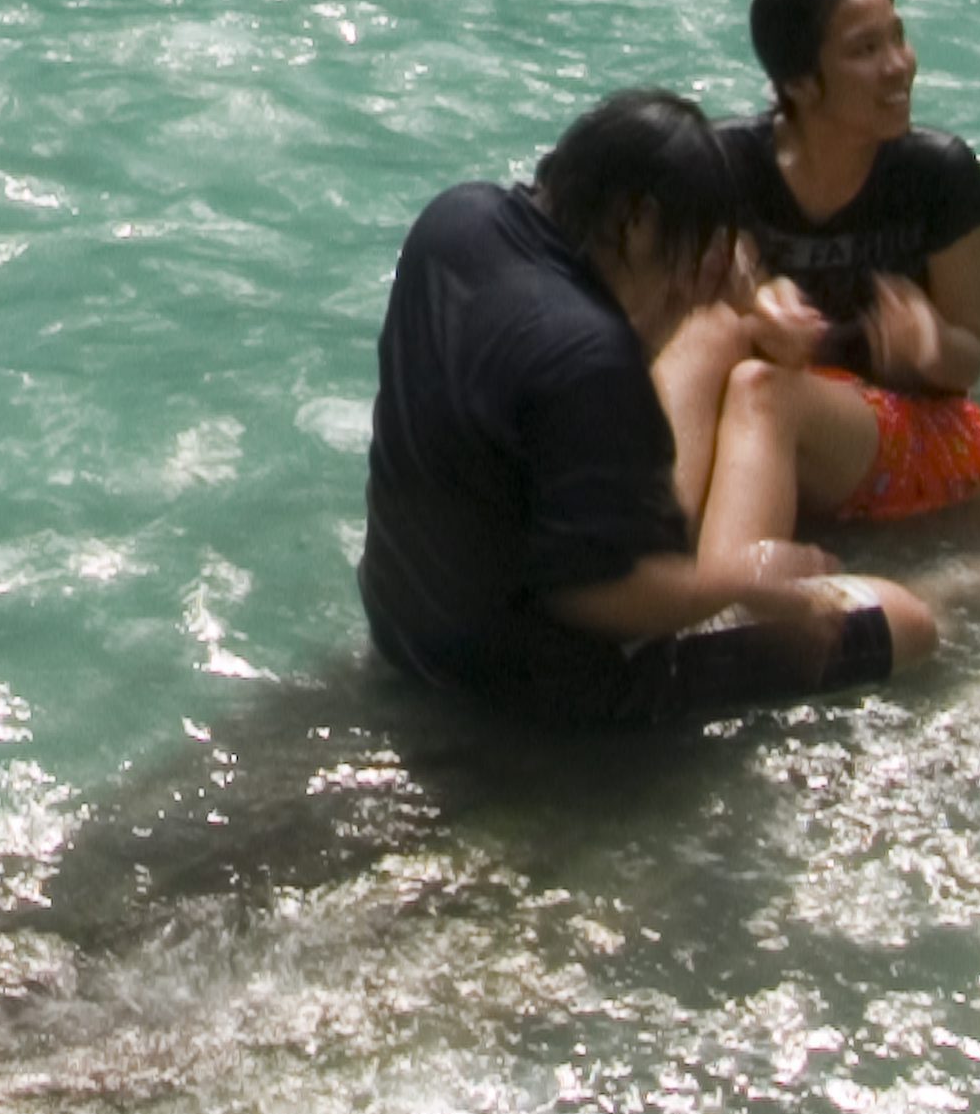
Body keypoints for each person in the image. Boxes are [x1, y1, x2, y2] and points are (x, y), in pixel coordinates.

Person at [358, 86, 941, 728]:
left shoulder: (455, 221)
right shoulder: (587, 353)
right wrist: (749, 582)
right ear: (637, 222)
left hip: (408, 624)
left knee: (705, 334)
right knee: (905, 619)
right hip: (535, 686)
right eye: (688, 256)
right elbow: (599, 598)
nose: (689, 285)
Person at [666, 0, 980, 575]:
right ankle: (652, 546)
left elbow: (966, 363)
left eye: (898, 39)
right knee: (708, 334)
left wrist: (928, 344)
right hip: (773, 413)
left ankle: (736, 584)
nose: (898, 66)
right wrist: (751, 306)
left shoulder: (941, 175)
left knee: (761, 387)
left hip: (914, 429)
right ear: (799, 82)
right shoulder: (727, 163)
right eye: (866, 50)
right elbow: (679, 307)